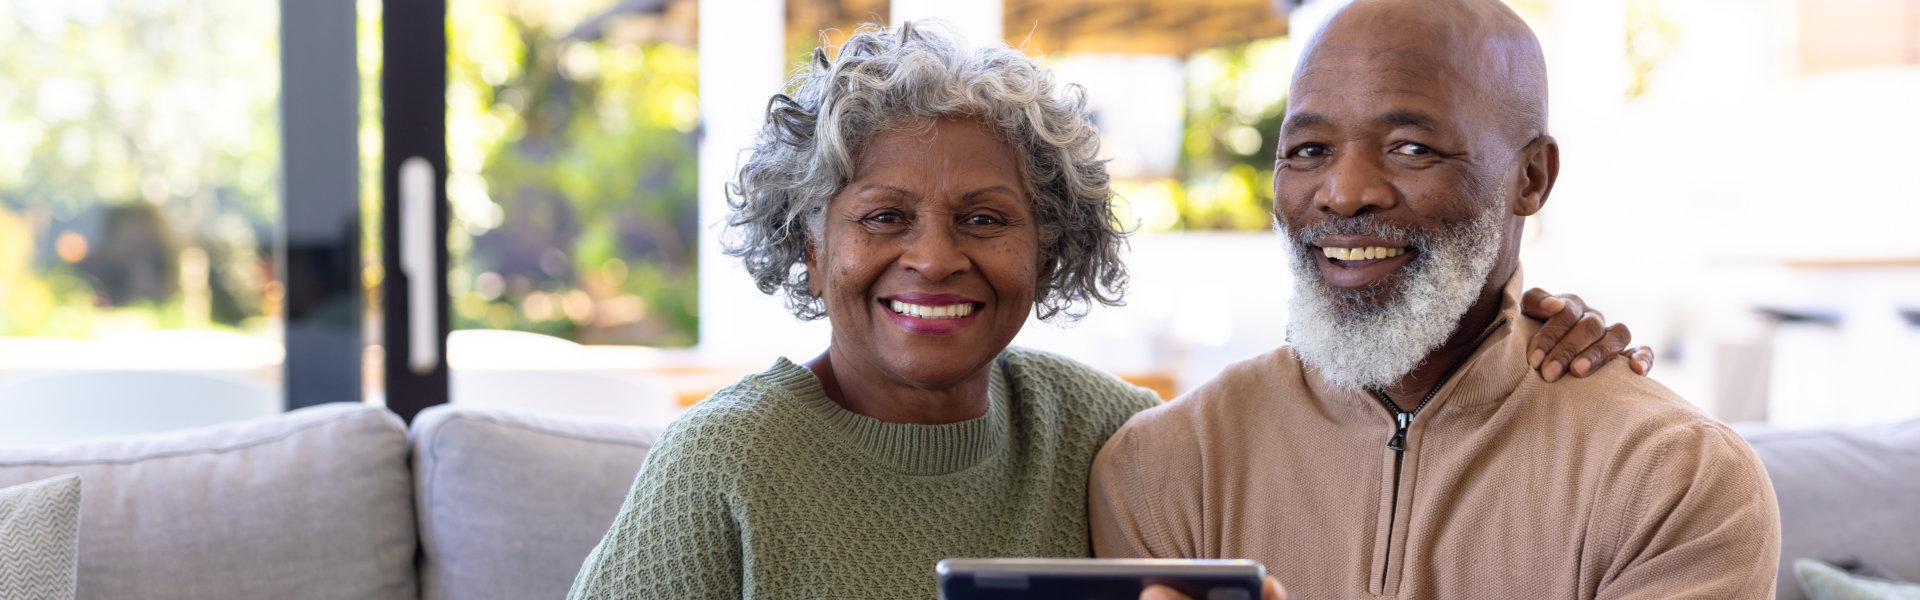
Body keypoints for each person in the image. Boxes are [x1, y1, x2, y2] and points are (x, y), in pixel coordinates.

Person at [569, 20, 1646, 600]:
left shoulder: (1104, 434)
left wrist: (1516, 325)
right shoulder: (723, 466)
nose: (935, 259)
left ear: (1051, 248)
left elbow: (1348, 391)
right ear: (812, 243)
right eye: (885, 216)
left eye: (986, 220)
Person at [1087, 1, 1781, 599]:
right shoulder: (1167, 468)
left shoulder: (1672, 480)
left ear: (1531, 178)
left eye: (1411, 147)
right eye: (1306, 150)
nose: (1344, 190)